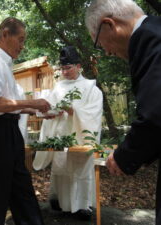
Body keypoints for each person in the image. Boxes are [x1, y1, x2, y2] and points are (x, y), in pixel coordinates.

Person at [85, 0, 161, 224]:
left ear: (109, 24)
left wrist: (124, 156)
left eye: (100, 45)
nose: (107, 52)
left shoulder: (151, 40)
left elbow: (155, 114)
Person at [0, 17, 51, 225]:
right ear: (5, 34)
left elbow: (7, 104)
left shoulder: (4, 64)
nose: (22, 46)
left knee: (21, 188)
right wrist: (33, 102)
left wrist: (32, 109)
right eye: (21, 39)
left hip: (8, 130)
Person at [33, 46, 103, 220]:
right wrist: (51, 112)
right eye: (62, 68)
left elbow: (93, 113)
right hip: (61, 136)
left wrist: (74, 110)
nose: (64, 71)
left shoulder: (90, 88)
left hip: (80, 136)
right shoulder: (58, 87)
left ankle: (82, 206)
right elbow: (48, 107)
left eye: (68, 67)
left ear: (79, 66)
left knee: (80, 170)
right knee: (62, 168)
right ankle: (64, 204)